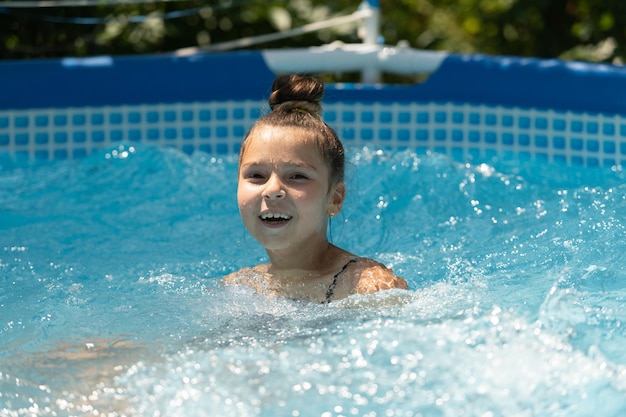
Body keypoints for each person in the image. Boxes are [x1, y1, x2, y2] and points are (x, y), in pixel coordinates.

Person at [224, 74, 408, 303]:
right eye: (256, 175)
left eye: (297, 176)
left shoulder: (367, 285)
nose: (272, 189)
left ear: (335, 198)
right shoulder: (239, 286)